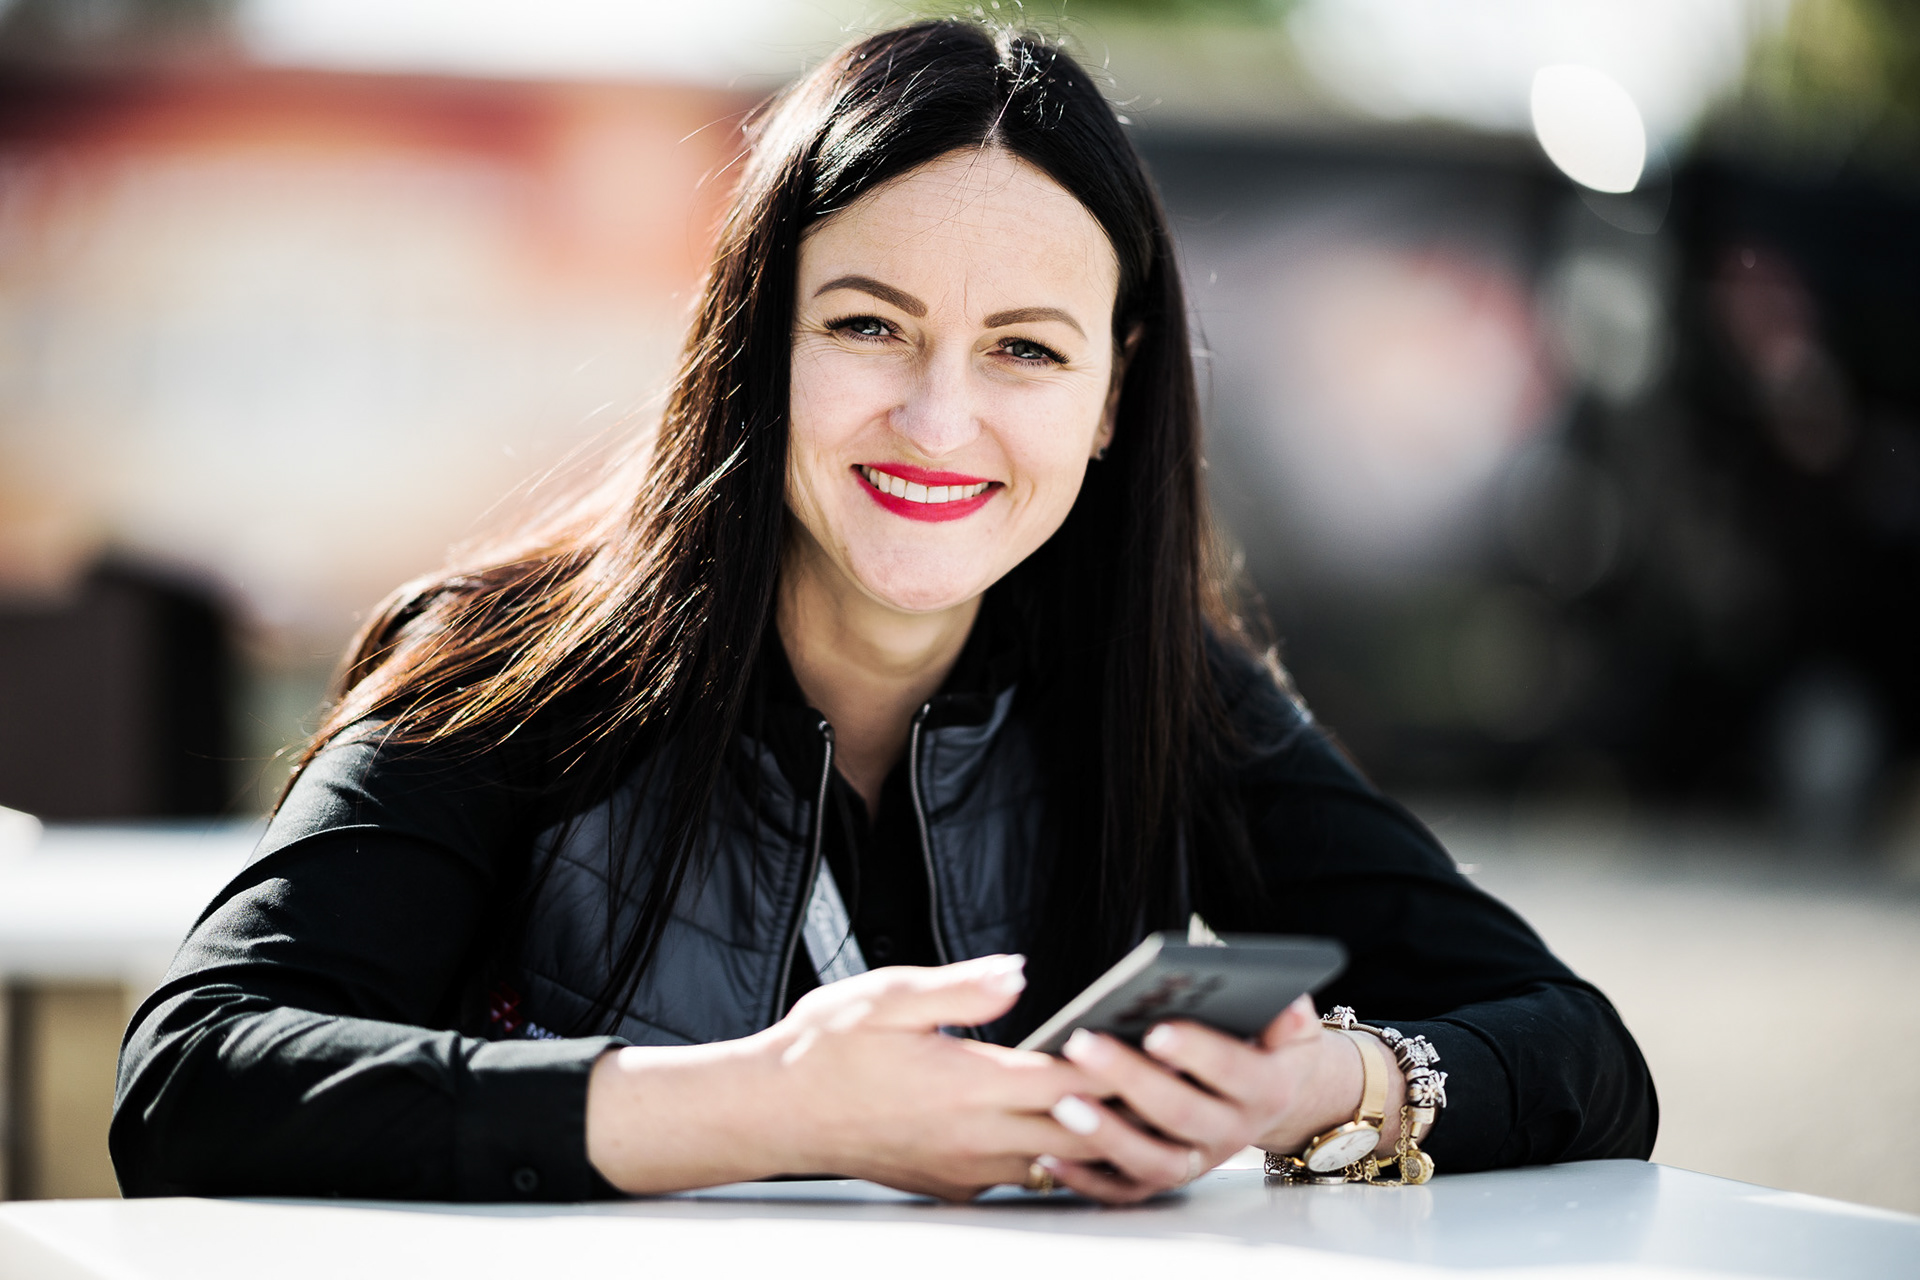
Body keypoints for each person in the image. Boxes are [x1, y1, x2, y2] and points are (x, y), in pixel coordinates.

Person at [111, 20, 1656, 1205]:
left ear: (1113, 398)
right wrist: (761, 1107)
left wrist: (1313, 1090)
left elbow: (1581, 1052)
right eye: (869, 326)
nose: (937, 419)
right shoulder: (505, 665)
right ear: (757, 342)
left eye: (1026, 351)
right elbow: (192, 1079)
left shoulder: (1160, 689)